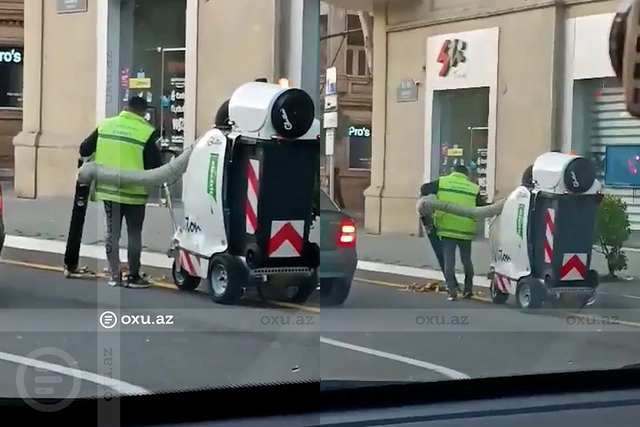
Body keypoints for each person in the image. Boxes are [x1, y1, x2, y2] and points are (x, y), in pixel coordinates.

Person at [79, 96, 163, 288]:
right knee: (134, 233)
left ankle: (114, 275)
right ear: (143, 112)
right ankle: (133, 276)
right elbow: (155, 166)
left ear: (126, 108)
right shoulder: (146, 132)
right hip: (134, 192)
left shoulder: (105, 125)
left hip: (109, 191)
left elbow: (84, 149)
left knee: (112, 233)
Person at [420, 165, 485, 301]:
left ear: (453, 172)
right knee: (466, 260)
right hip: (466, 229)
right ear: (467, 174)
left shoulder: (442, 182)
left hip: (447, 227)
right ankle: (468, 289)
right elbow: (481, 207)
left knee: (449, 261)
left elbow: (424, 189)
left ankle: (452, 291)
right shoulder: (473, 188)